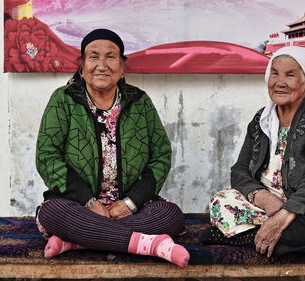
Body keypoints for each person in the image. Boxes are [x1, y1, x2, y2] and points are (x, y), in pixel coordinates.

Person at [35, 29, 189, 267]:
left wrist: (130, 202)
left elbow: (160, 156)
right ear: (82, 64)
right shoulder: (63, 99)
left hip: (130, 207)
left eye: (111, 56)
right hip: (78, 205)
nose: (102, 65)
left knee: (171, 215)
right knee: (52, 213)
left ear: (122, 65)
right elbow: (47, 156)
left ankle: (77, 241)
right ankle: (152, 244)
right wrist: (90, 203)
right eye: (93, 56)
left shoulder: (140, 102)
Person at [199, 46, 305, 258]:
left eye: (290, 75)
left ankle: (240, 237)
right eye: (275, 73)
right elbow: (240, 171)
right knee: (221, 200)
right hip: (269, 206)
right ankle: (283, 241)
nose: (280, 82)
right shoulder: (260, 120)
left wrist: (286, 214)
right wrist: (261, 196)